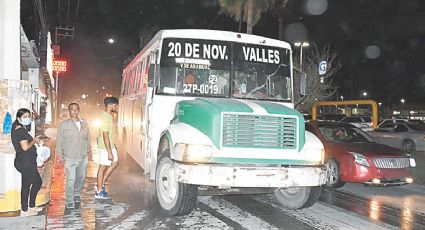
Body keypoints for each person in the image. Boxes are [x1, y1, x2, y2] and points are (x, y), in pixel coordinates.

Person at [56, 103, 91, 209]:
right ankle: (69, 200)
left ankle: (76, 194)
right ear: (69, 111)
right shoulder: (63, 125)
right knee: (71, 178)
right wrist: (60, 157)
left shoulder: (84, 123)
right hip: (70, 156)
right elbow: (59, 141)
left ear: (79, 110)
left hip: (83, 155)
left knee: (81, 177)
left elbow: (88, 138)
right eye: (72, 109)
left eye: (76, 109)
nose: (74, 111)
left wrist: (89, 152)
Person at [11, 108, 43, 217]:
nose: (27, 118)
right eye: (24, 117)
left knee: (37, 182)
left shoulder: (20, 129)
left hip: (26, 161)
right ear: (18, 118)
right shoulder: (20, 130)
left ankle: (31, 205)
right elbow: (25, 147)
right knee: (26, 185)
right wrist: (33, 141)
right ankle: (24, 209)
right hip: (25, 162)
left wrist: (35, 142)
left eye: (28, 116)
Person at [95, 96, 119, 199]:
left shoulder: (109, 116)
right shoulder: (105, 117)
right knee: (103, 167)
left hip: (110, 145)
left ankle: (101, 184)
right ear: (109, 105)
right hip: (105, 147)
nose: (116, 107)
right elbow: (105, 135)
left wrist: (113, 146)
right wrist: (109, 151)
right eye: (115, 105)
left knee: (115, 163)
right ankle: (99, 191)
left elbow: (109, 135)